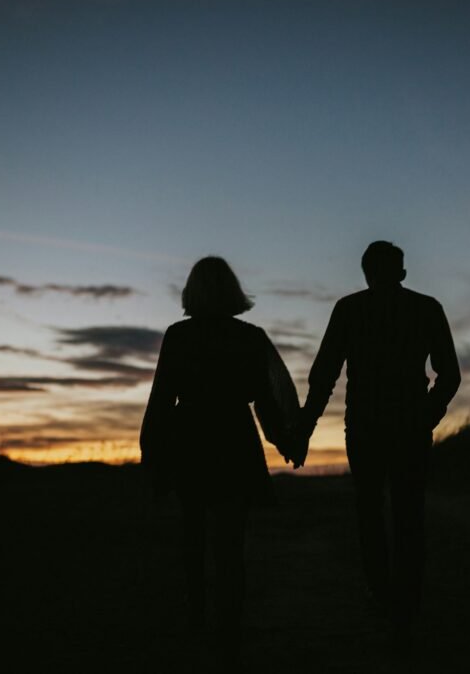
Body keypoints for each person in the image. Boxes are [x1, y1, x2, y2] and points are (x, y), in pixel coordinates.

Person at [140, 256, 303, 669]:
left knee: (193, 536)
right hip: (233, 439)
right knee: (230, 544)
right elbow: (266, 400)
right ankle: (228, 629)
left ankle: (198, 619)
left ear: (192, 292)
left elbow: (161, 400)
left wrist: (151, 452)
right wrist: (285, 439)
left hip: (189, 438)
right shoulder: (250, 337)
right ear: (233, 291)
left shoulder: (178, 336)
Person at [299, 240, 460, 648]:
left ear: (367, 272)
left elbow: (323, 377)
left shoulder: (351, 309)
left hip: (370, 428)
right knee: (408, 513)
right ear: (401, 273)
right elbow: (450, 375)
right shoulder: (425, 308)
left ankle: (387, 596)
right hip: (404, 428)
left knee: (371, 511)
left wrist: (304, 428)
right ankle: (404, 602)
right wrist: (426, 415)